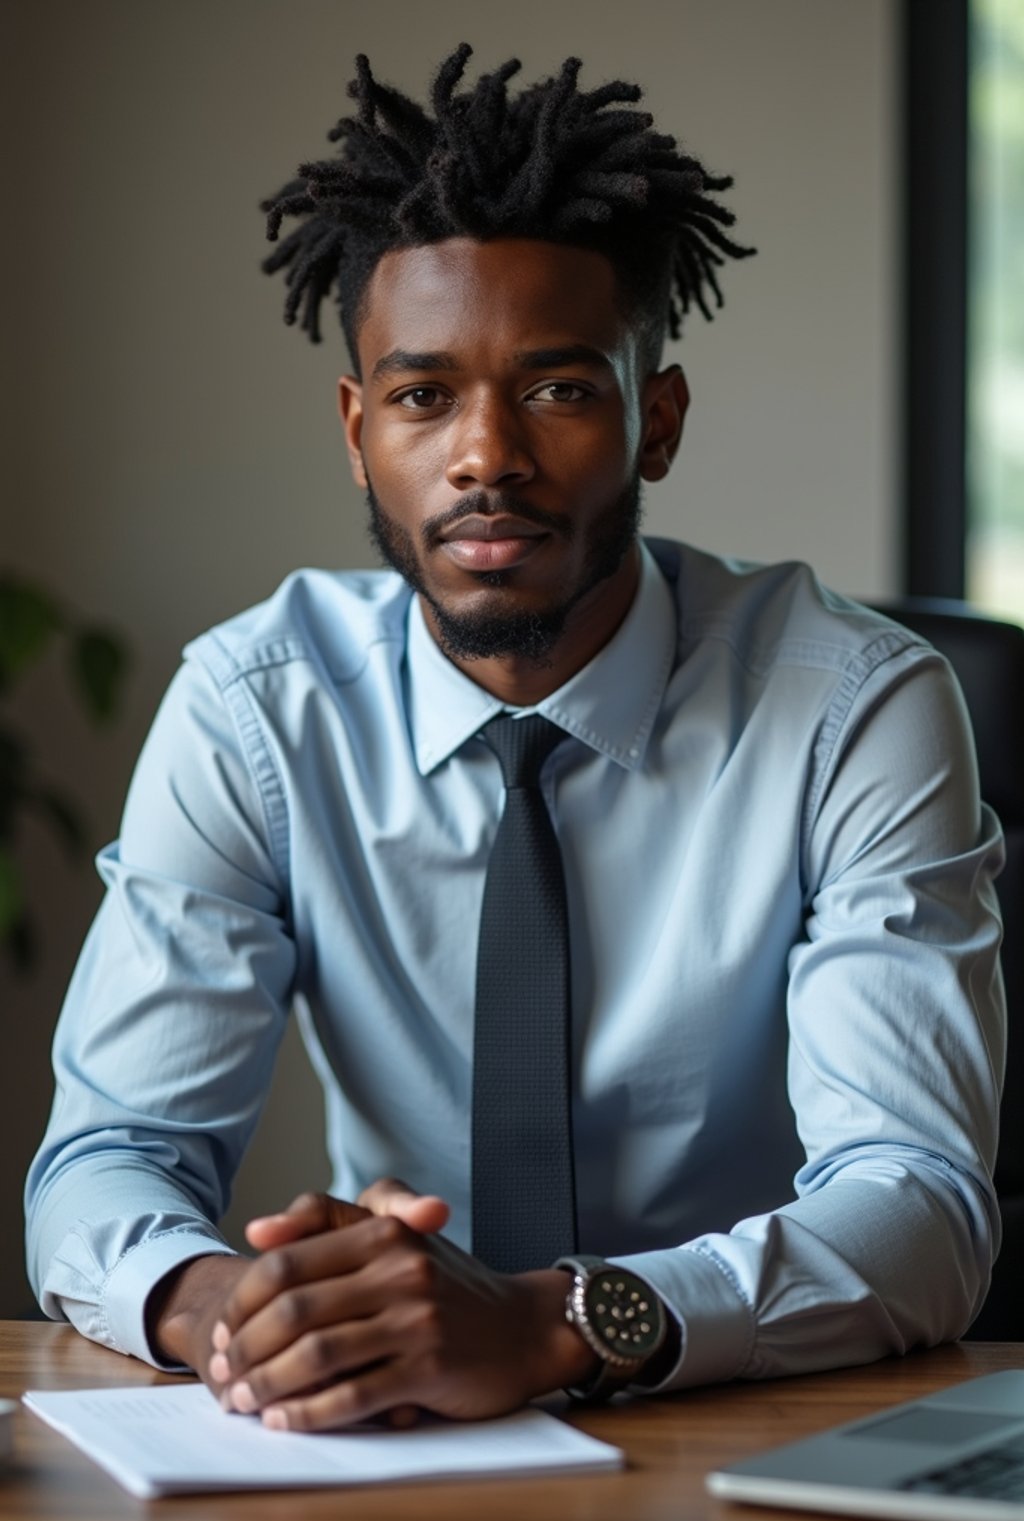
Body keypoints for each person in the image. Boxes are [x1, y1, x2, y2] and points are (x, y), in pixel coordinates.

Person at [26, 44, 1005, 1433]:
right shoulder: (257, 710)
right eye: (424, 397)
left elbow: (921, 1208)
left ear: (653, 420)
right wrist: (254, 1315)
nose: (486, 453)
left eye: (558, 389)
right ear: (359, 435)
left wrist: (550, 1324)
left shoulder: (856, 711)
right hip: (384, 1440)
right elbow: (110, 1156)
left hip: (753, 1415)